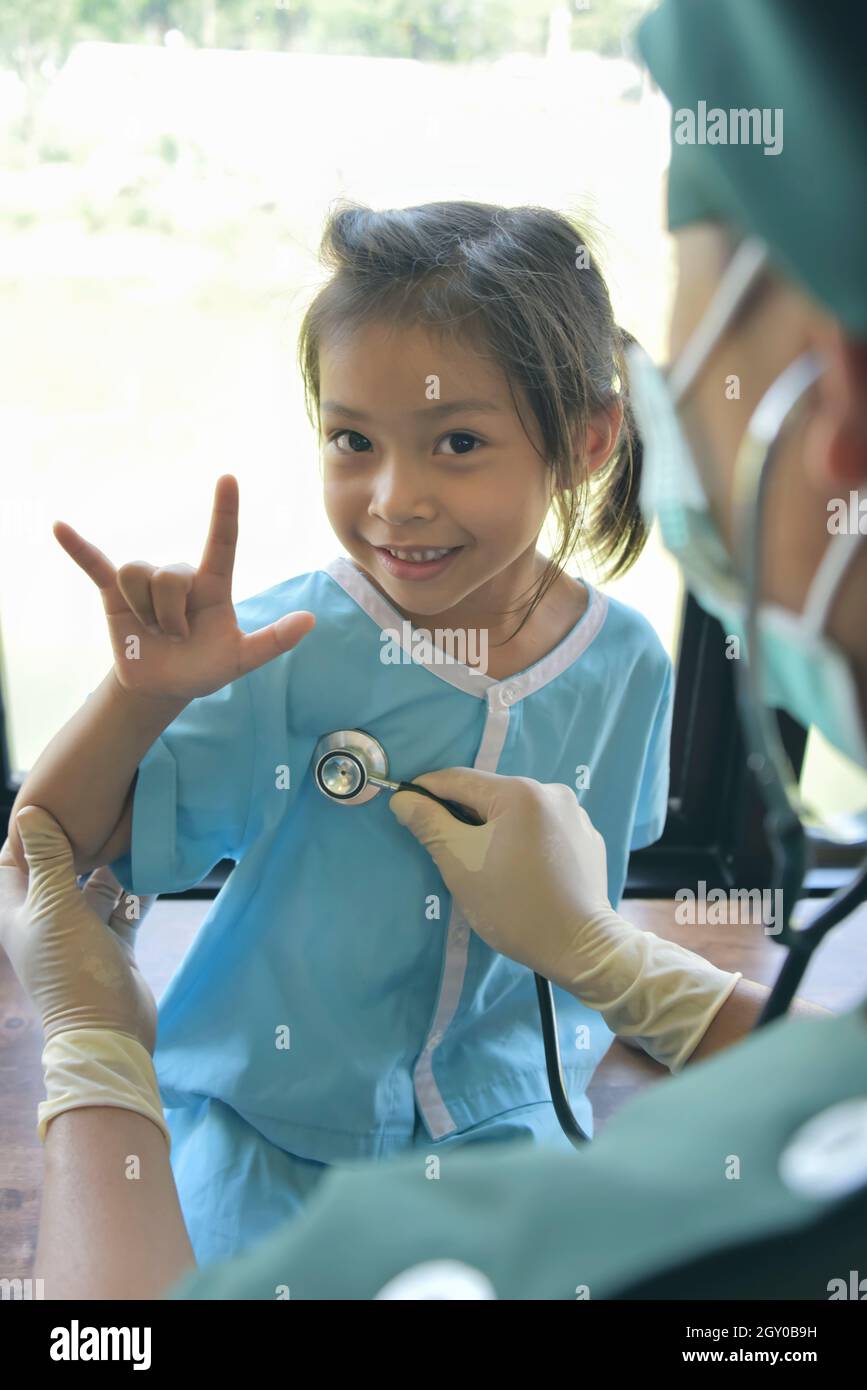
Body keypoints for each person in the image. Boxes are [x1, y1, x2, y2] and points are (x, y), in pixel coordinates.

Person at [0, 0, 864, 1299]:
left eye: (457, 441)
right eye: (352, 439)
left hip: (506, 1116)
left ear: (586, 442)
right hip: (268, 1126)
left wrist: (603, 964)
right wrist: (138, 699)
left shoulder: (625, 662)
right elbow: (58, 846)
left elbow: (591, 915)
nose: (394, 497)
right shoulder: (290, 643)